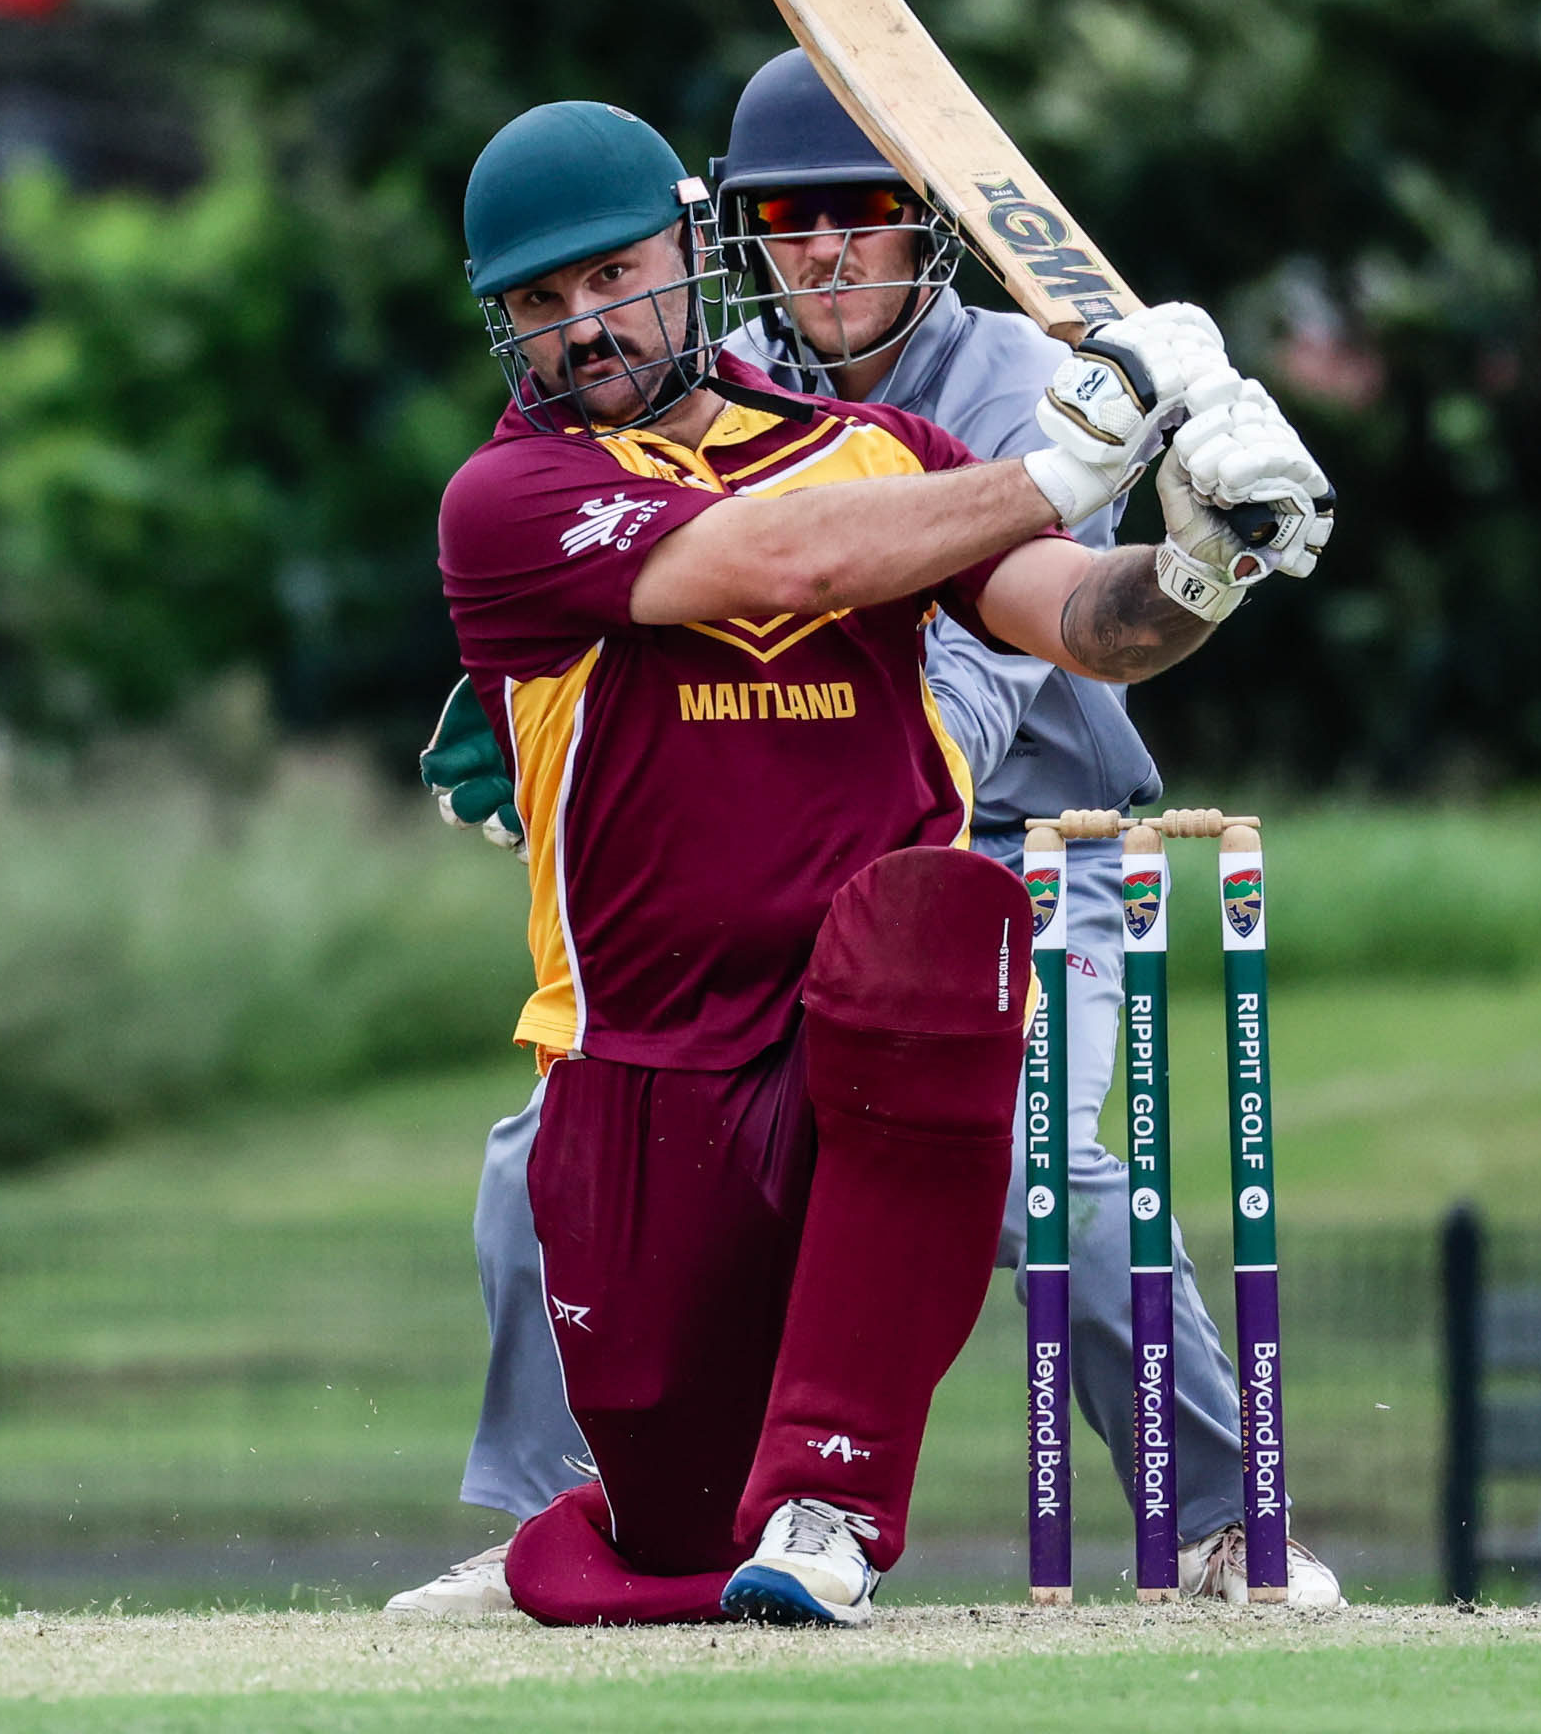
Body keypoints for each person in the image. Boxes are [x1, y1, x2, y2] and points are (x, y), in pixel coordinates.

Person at [415, 92, 1330, 1627]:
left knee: (956, 994)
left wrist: (1206, 560)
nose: (587, 326)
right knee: (656, 1518)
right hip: (651, 1044)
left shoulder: (892, 442)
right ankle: (596, 1525)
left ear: (682, 256)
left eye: (614, 277)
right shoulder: (510, 492)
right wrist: (1061, 468)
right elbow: (789, 558)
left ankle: (966, 1508)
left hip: (922, 927)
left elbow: (1075, 620)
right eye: (543, 300)